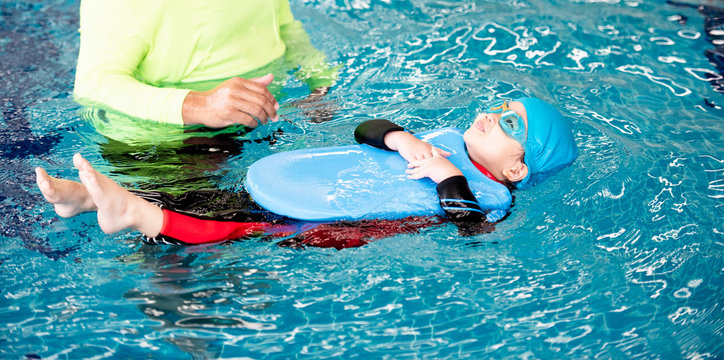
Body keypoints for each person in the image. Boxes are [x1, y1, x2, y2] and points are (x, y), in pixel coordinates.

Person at [35, 98, 577, 249]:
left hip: (331, 222)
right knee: (212, 197)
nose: (487, 115)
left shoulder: (494, 197)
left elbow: (470, 227)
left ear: (517, 166)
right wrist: (402, 138)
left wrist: (443, 176)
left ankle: (131, 212)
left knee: (235, 227)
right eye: (497, 105)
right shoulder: (446, 141)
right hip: (310, 182)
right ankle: (85, 198)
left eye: (508, 121)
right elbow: (365, 129)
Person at [74, 0, 337, 128]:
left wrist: (319, 88)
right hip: (166, 149)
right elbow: (93, 85)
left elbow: (286, 29)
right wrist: (201, 105)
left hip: (267, 120)